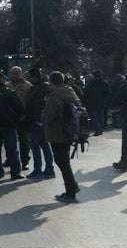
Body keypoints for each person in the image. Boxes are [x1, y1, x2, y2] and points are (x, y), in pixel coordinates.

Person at [43, 71, 82, 203]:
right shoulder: (70, 92)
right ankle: (72, 186)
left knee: (62, 161)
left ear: (51, 82)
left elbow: (49, 116)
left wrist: (42, 120)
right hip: (71, 131)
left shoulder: (54, 96)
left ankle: (70, 191)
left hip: (58, 132)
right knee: (64, 160)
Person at [25, 68, 55, 180]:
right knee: (44, 146)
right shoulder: (41, 86)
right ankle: (49, 169)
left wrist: (38, 119)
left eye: (30, 76)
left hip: (37, 121)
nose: (28, 79)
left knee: (36, 146)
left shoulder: (42, 87)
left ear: (35, 76)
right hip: (39, 121)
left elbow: (41, 105)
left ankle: (38, 170)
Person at [7, 66, 32, 170]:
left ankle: (25, 161)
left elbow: (31, 102)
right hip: (9, 117)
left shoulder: (28, 86)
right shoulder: (6, 85)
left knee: (24, 141)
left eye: (17, 73)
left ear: (21, 74)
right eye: (13, 73)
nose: (15, 75)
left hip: (23, 117)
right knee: (8, 141)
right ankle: (10, 159)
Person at [84, 70, 110, 136]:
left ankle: (98, 129)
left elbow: (86, 93)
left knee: (94, 117)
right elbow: (108, 93)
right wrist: (106, 100)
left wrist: (86, 102)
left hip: (92, 103)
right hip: (101, 102)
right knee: (100, 116)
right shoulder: (104, 83)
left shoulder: (91, 83)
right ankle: (100, 129)